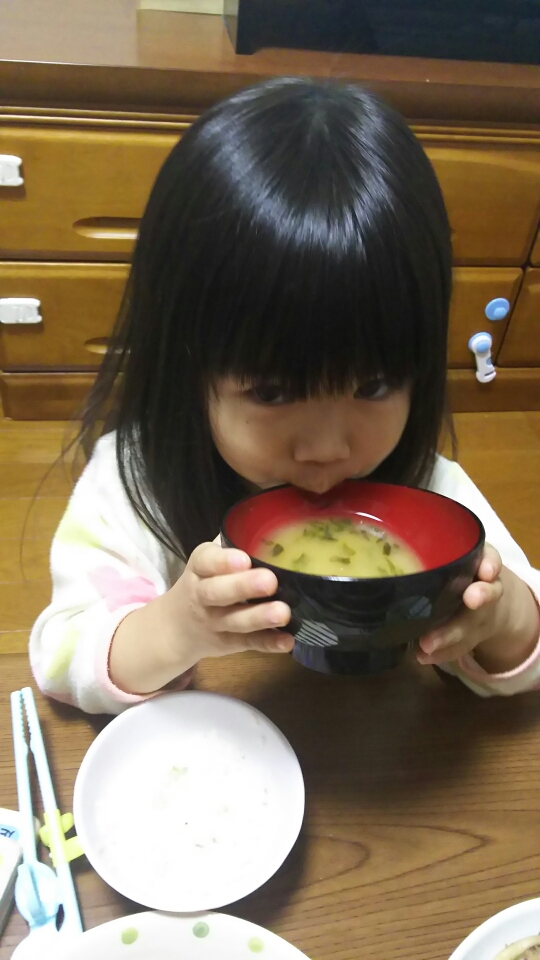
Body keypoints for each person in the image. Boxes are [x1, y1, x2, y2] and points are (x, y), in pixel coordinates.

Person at [30, 78, 540, 715]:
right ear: (188, 365)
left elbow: (526, 638)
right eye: (272, 391)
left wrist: (507, 618)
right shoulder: (135, 483)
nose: (327, 448)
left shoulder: (429, 494)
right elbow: (60, 649)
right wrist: (176, 627)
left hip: (386, 773)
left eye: (374, 385)